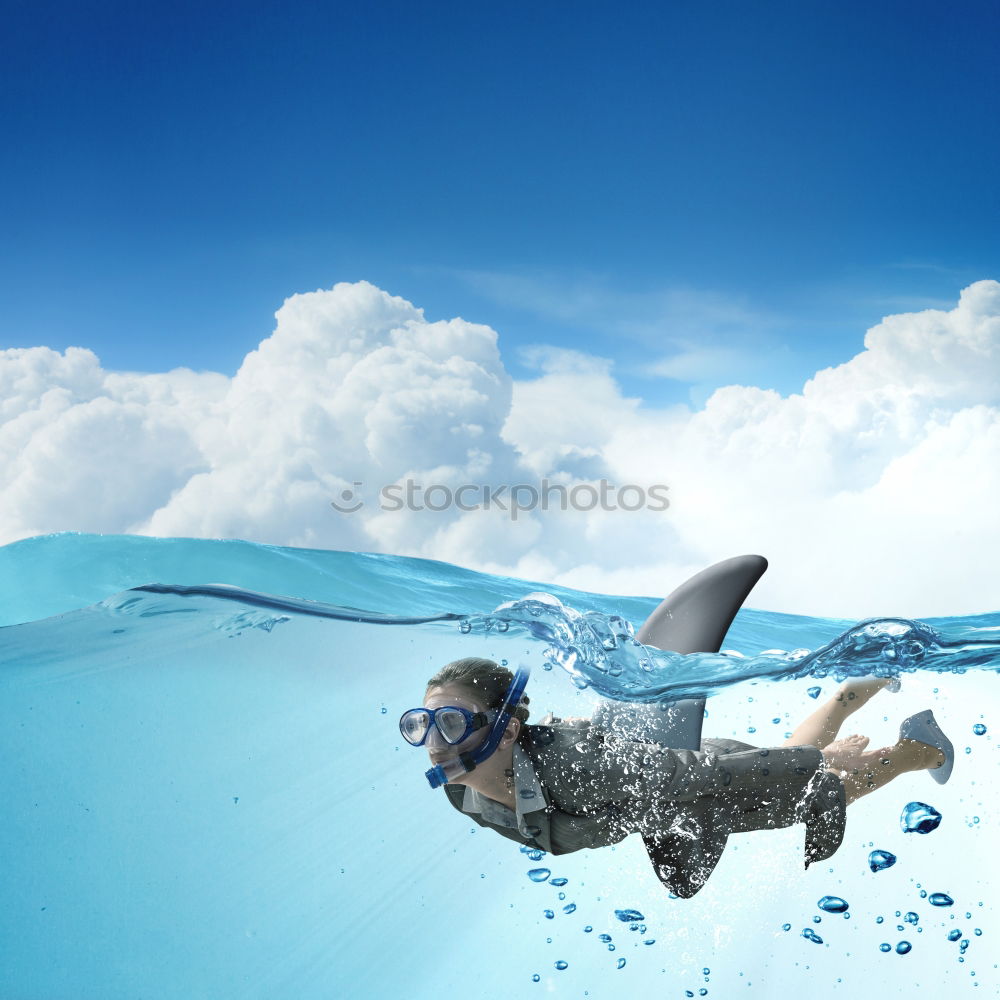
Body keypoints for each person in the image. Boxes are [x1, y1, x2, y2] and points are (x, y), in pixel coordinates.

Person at [400, 657, 954, 897]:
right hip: (660, 804)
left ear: (509, 730)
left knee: (812, 789)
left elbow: (705, 773)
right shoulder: (462, 795)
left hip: (699, 779)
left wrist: (826, 766)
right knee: (800, 752)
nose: (434, 743)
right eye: (419, 725)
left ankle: (918, 748)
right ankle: (871, 676)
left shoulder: (575, 767)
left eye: (450, 723)